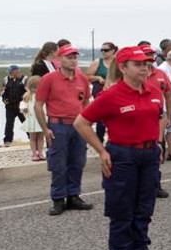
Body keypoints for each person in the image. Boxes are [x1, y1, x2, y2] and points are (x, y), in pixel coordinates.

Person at [73, 46, 166, 250]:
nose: (144, 68)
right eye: (138, 64)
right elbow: (81, 123)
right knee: (122, 210)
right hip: (123, 156)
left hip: (148, 155)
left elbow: (159, 117)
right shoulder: (111, 95)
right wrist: (102, 151)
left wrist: (157, 143)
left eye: (146, 63)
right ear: (123, 68)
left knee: (144, 209)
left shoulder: (154, 91)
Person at [35, 44, 94, 216]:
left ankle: (74, 196)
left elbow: (86, 103)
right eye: (69, 57)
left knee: (78, 161)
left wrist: (87, 124)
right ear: (59, 59)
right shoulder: (49, 79)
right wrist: (45, 129)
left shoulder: (82, 79)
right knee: (58, 164)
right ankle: (58, 199)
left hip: (78, 125)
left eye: (75, 57)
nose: (73, 60)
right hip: (58, 125)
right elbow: (38, 105)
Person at [86, 43, 117, 142]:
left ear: (113, 51)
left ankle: (114, 138)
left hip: (116, 92)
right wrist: (98, 78)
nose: (103, 52)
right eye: (102, 50)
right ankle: (99, 139)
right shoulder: (97, 62)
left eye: (106, 50)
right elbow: (88, 76)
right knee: (101, 115)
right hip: (100, 90)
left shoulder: (117, 62)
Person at [1, 65, 27, 147]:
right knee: (9, 124)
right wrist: (4, 99)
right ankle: (7, 141)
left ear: (17, 71)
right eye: (9, 72)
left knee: (26, 123)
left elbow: (28, 92)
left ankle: (32, 138)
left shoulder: (25, 79)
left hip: (21, 107)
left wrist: (26, 103)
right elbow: (3, 91)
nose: (10, 73)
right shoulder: (6, 79)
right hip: (10, 107)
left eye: (11, 71)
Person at [22, 76, 44, 160]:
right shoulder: (27, 96)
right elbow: (23, 104)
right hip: (31, 119)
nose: (36, 89)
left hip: (41, 119)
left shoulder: (43, 95)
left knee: (41, 138)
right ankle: (34, 153)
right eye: (34, 87)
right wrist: (24, 109)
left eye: (38, 87)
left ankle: (41, 152)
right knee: (33, 138)